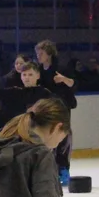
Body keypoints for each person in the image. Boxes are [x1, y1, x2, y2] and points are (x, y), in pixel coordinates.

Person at [34, 40, 77, 184]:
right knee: (48, 136)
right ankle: (49, 169)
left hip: (63, 107)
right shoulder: (38, 70)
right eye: (37, 53)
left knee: (63, 137)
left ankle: (63, 168)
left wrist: (63, 79)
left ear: (49, 54)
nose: (38, 56)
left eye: (41, 53)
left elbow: (72, 83)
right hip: (48, 108)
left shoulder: (61, 67)